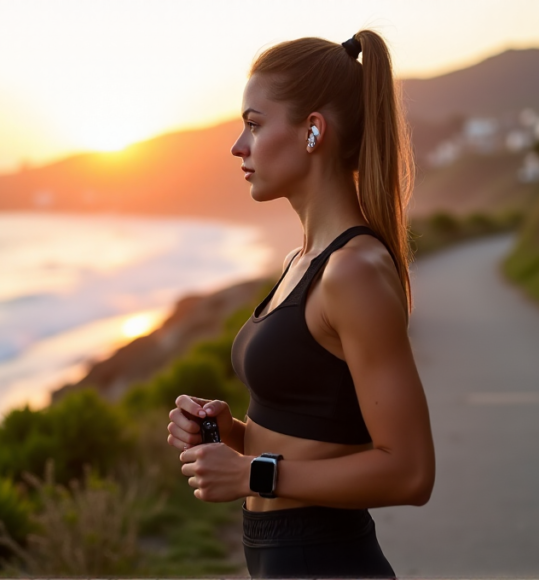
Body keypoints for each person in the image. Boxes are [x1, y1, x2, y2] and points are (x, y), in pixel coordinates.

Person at [166, 30, 435, 579]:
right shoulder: (301, 262)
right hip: (279, 558)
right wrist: (232, 437)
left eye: (255, 123)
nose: (239, 146)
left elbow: (409, 472)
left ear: (313, 130)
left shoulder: (353, 271)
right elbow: (318, 434)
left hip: (326, 561)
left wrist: (252, 474)